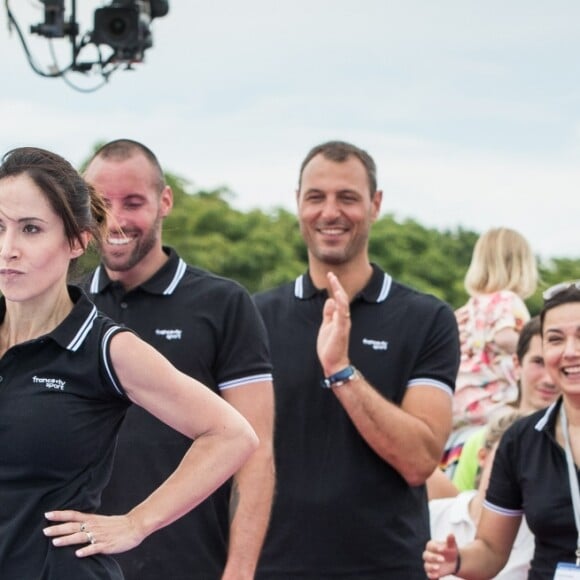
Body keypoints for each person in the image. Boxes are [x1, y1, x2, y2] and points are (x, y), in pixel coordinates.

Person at [0, 146, 258, 579]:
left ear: (78, 239)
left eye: (30, 229)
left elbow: (232, 435)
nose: (9, 249)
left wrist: (137, 522)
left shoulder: (104, 346)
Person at [254, 140, 460, 578]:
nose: (330, 212)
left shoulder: (427, 318)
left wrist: (341, 371)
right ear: (297, 204)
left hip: (386, 567)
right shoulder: (254, 317)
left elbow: (420, 461)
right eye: (316, 197)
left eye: (347, 197)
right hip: (272, 567)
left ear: (375, 204)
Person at [80, 139, 275, 580]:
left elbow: (256, 454)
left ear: (164, 201)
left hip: (191, 565)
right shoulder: (67, 304)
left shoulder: (224, 304)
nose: (116, 219)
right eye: (101, 203)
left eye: (133, 203)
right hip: (79, 565)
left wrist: (240, 571)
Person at [423, 280, 580, 579]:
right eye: (556, 339)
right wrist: (456, 560)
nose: (570, 351)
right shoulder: (521, 441)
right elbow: (492, 551)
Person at [442, 227, 537, 476]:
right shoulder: (507, 300)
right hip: (493, 406)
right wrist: (535, 350)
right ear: (521, 266)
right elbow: (504, 336)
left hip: (456, 410)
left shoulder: (464, 310)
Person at [452, 315, 559, 491]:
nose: (548, 379)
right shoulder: (479, 441)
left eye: (557, 364)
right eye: (539, 362)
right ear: (516, 364)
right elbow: (460, 509)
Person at [429, 411, 534, 579]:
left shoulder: (538, 535)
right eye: (507, 456)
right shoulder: (432, 515)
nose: (515, 469)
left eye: (529, 463)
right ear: (483, 456)